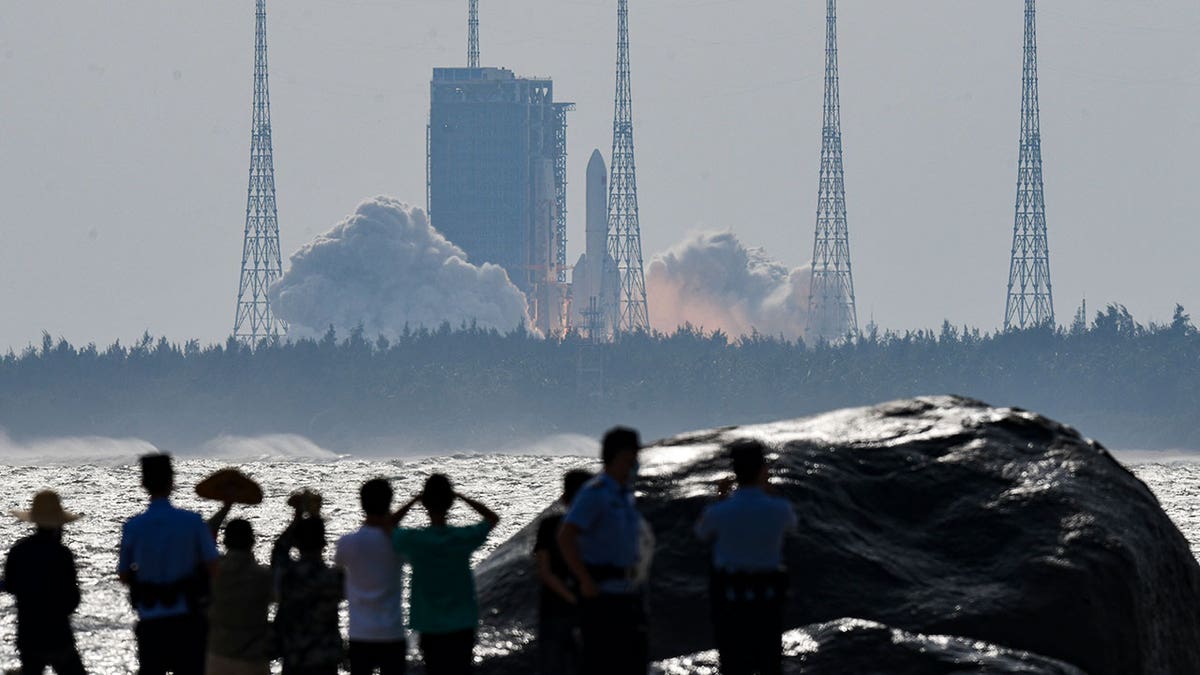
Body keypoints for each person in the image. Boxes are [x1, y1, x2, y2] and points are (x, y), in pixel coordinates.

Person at [695, 440, 797, 675]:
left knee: (733, 667)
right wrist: (770, 491)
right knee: (769, 665)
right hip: (767, 601)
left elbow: (701, 533)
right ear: (763, 469)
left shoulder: (719, 511)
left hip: (730, 602)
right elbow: (792, 526)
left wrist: (720, 498)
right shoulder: (780, 509)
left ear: (734, 471)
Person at [558, 427, 650, 675]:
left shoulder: (625, 496)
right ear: (619, 456)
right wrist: (585, 580)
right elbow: (566, 536)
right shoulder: (595, 493)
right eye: (632, 457)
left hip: (628, 593)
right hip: (603, 596)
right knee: (602, 663)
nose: (636, 463)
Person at [118, 453, 220, 675]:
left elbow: (124, 574)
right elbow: (213, 566)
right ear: (173, 482)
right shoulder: (193, 522)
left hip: (151, 619)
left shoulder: (133, 527)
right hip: (188, 621)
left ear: (143, 483)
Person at [392, 474, 499, 675]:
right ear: (449, 503)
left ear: (426, 504)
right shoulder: (461, 538)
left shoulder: (416, 541)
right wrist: (460, 496)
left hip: (429, 623)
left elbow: (388, 526)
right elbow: (492, 518)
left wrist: (415, 499)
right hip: (462, 622)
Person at [4, 490, 86, 675]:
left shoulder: (19, 550)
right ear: (58, 526)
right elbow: (72, 599)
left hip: (28, 634)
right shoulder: (62, 554)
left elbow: (10, 585)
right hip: (58, 635)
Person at [335, 478, 407, 674]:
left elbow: (337, 571)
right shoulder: (398, 542)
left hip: (360, 634)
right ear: (390, 503)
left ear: (361, 503)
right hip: (392, 632)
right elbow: (396, 533)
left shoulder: (347, 543)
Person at [273, 498, 345, 675]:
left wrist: (297, 517)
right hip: (325, 658)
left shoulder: (287, 574)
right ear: (324, 544)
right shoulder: (334, 577)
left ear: (296, 544)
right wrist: (315, 517)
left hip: (295, 656)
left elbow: (280, 549)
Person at [532, 470, 592, 675]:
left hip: (554, 610)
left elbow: (545, 573)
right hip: (590, 609)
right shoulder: (598, 527)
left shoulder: (548, 525)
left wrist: (570, 597)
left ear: (564, 497)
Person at [206, 519, 274, 675]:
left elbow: (206, 538)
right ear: (252, 542)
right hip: (253, 660)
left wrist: (226, 505)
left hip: (219, 657)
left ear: (226, 542)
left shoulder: (215, 573)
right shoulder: (262, 576)